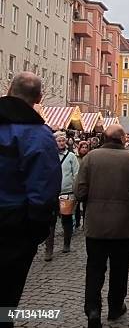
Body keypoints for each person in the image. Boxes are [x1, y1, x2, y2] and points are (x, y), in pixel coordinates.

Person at [0, 72, 62, 315]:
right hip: (12, 226)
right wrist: (35, 229)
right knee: (6, 297)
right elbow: (44, 188)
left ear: (8, 89)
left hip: (12, 221)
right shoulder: (37, 135)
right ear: (39, 97)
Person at [74, 124, 129, 327]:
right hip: (123, 224)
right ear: (122, 139)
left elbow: (79, 191)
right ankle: (115, 306)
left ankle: (93, 310)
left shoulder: (90, 158)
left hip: (96, 223)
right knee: (120, 269)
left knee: (94, 268)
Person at [44, 131, 79, 259]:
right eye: (59, 141)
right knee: (51, 221)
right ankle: (49, 250)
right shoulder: (49, 156)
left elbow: (76, 173)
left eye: (63, 140)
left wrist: (75, 190)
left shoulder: (71, 156)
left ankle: (66, 244)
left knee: (66, 218)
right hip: (52, 192)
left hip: (67, 192)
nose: (61, 143)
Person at [75, 140, 90, 229]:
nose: (84, 149)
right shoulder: (76, 157)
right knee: (76, 205)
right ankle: (77, 222)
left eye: (86, 147)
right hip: (77, 182)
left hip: (86, 184)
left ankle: (85, 223)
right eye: (82, 147)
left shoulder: (89, 158)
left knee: (85, 205)